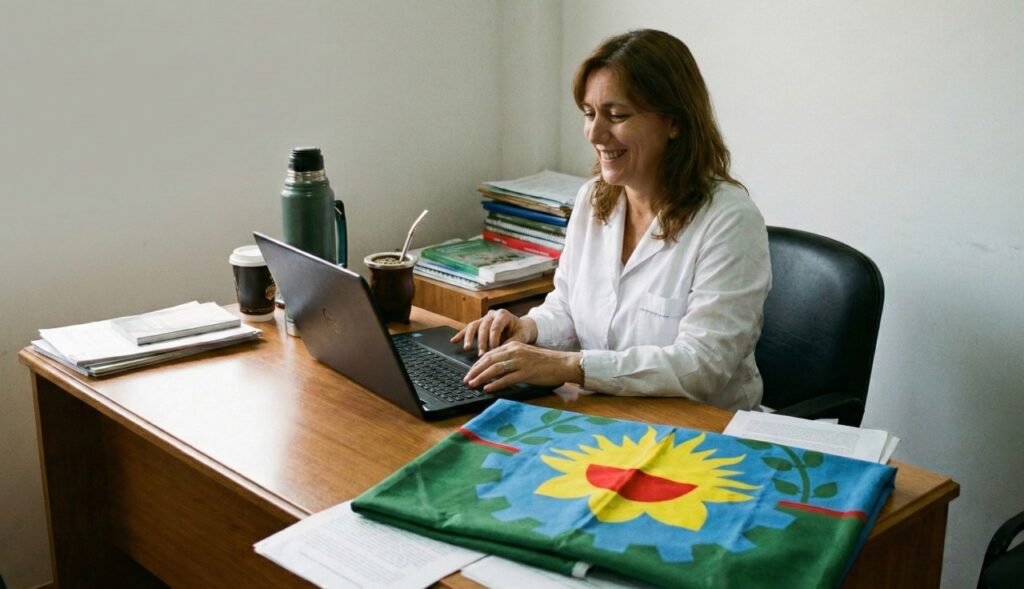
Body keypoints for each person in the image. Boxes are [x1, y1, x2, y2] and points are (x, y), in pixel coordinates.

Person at [454, 29, 771, 411]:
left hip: (704, 426)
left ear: (674, 122)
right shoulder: (593, 199)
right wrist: (528, 329)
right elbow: (568, 307)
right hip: (611, 412)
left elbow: (702, 365)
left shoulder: (730, 221)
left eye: (617, 115)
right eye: (589, 114)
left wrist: (569, 367)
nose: (595, 133)